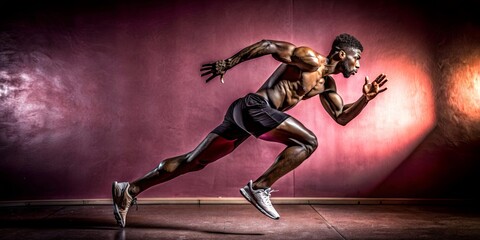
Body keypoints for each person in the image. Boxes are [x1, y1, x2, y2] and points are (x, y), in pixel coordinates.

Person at [112, 33, 388, 227]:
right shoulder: (311, 60)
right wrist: (228, 63)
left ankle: (128, 189)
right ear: (342, 54)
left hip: (245, 117)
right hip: (253, 107)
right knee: (309, 142)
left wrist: (365, 98)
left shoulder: (327, 86)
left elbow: (340, 117)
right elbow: (268, 44)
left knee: (192, 162)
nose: (359, 64)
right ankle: (259, 187)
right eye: (357, 58)